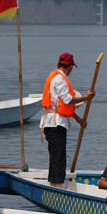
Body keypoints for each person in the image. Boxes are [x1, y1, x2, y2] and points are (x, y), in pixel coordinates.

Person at [40, 53, 95, 188]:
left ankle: (56, 185)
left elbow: (63, 107)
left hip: (56, 122)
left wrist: (78, 119)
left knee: (58, 156)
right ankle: (56, 187)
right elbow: (67, 100)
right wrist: (85, 98)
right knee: (58, 157)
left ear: (58, 64)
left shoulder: (59, 78)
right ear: (70, 67)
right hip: (55, 124)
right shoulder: (59, 79)